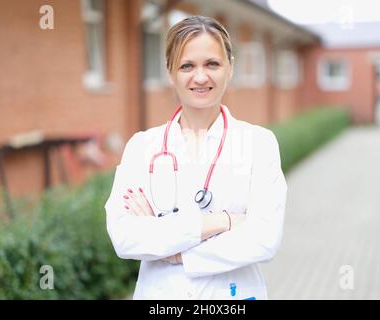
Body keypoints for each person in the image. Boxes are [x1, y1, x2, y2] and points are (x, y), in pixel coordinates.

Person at [105, 15, 287, 300]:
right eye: (187, 65)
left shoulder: (259, 144)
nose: (200, 77)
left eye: (212, 64)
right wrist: (222, 222)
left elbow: (264, 239)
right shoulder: (142, 147)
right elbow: (125, 237)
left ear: (231, 67)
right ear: (170, 72)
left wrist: (178, 253)